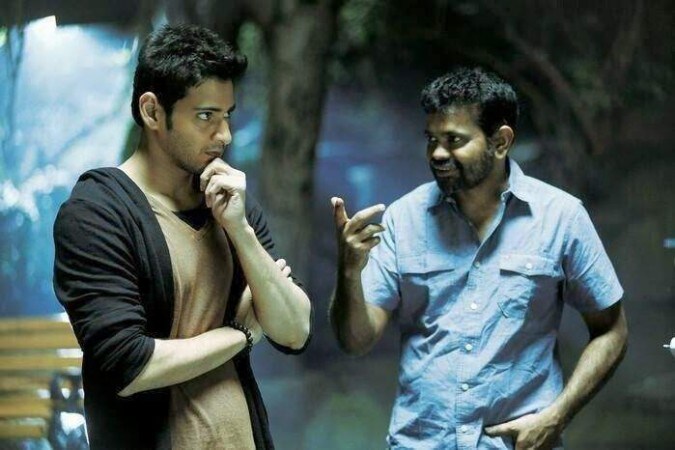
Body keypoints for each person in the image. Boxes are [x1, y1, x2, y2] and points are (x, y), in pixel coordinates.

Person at [329, 66, 627, 450]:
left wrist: (557, 417)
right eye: (431, 139)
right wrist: (349, 271)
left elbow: (612, 330)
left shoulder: (561, 217)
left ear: (500, 142)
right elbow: (355, 340)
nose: (438, 153)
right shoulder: (403, 219)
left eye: (454, 140)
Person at [53, 24, 311, 450]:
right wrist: (241, 334)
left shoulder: (228, 200)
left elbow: (295, 331)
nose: (224, 135)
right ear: (153, 112)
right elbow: (129, 366)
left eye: (227, 116)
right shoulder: (96, 213)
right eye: (206, 116)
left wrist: (241, 231)